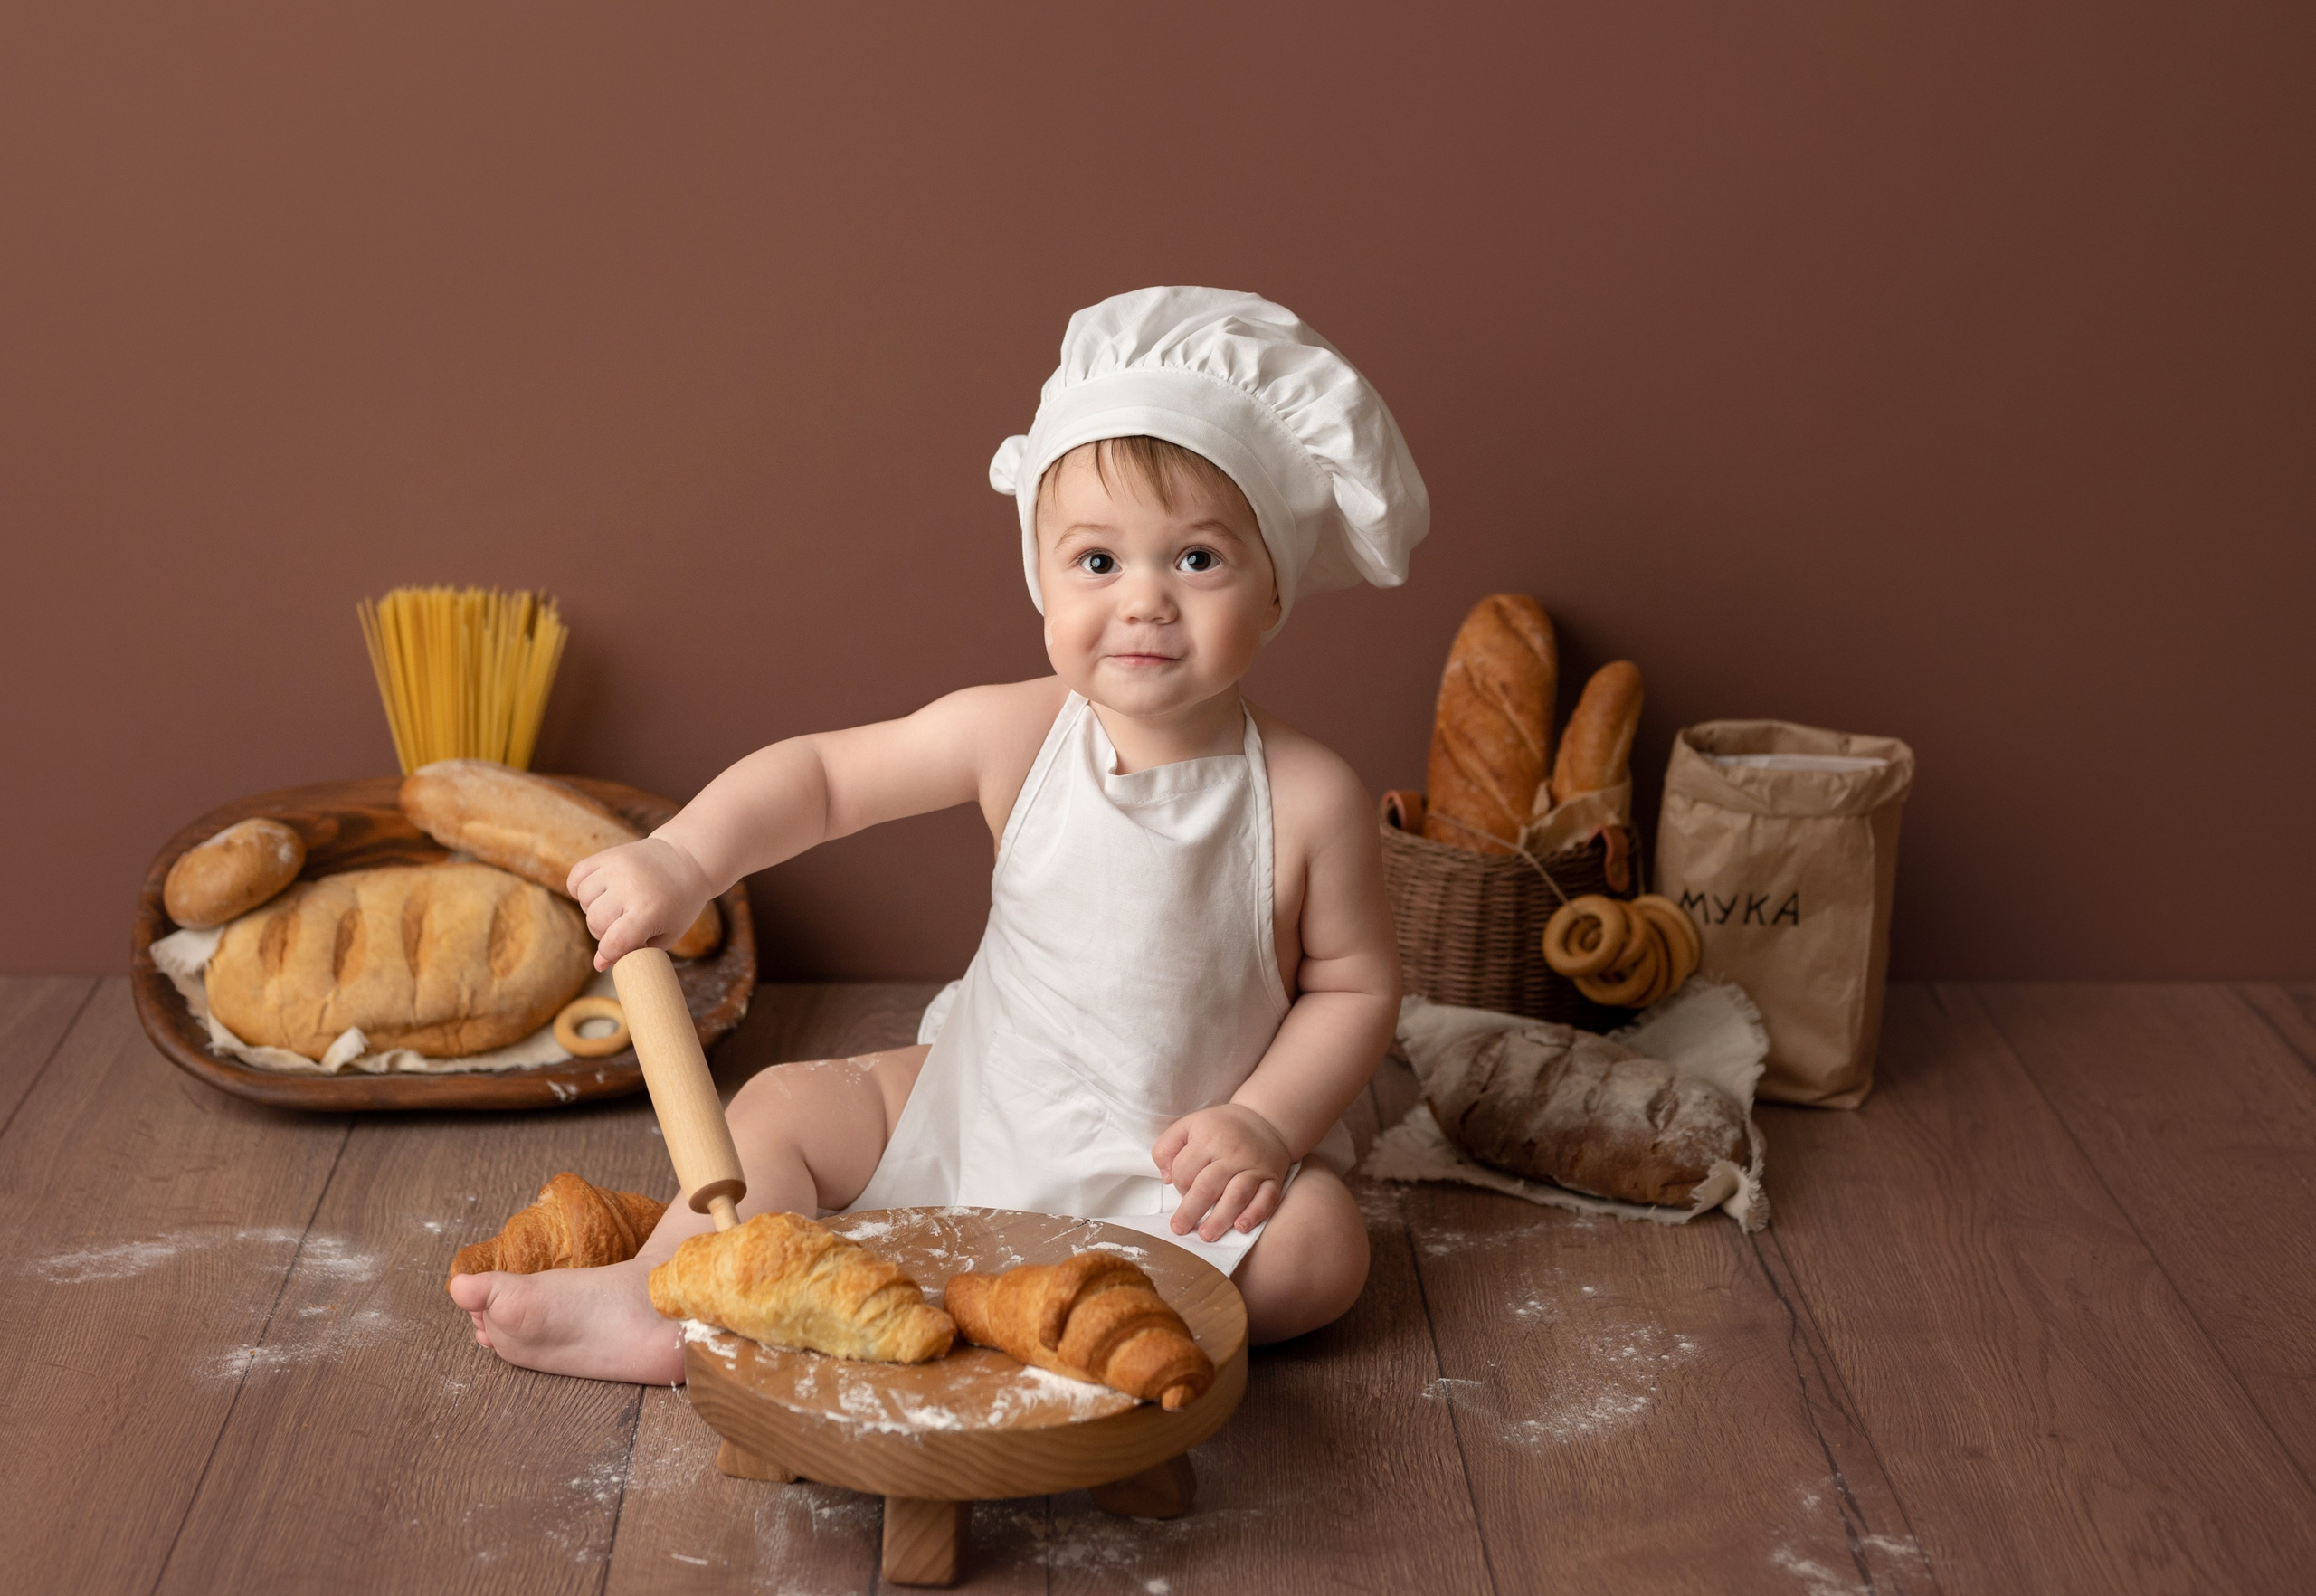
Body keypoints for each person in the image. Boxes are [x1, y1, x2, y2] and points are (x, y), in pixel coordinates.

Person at [449, 287, 1429, 1382]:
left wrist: (1265, 1124)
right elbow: (824, 779)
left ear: (1275, 591)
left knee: (1322, 1250)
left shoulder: (1309, 795)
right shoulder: (1019, 732)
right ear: (1040, 579)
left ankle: (1084, 1319)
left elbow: (1353, 988)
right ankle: (661, 1300)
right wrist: (684, 856)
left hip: (1175, 1169)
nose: (1145, 600)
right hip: (980, 1104)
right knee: (781, 1109)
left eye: (1197, 560)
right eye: (1097, 562)